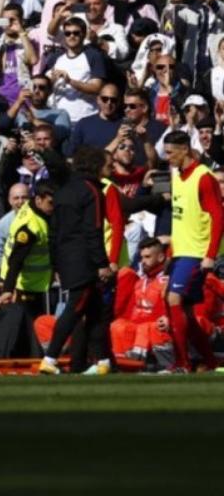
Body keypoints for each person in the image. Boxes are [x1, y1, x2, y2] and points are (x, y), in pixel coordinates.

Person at [39, 146, 114, 376]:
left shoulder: (62, 190)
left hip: (66, 258)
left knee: (96, 311)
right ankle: (50, 358)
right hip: (84, 261)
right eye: (107, 163)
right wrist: (101, 263)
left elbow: (53, 232)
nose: (110, 166)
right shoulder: (92, 192)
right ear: (96, 165)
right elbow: (94, 230)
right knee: (75, 309)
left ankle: (103, 362)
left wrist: (56, 264)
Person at [159, 130, 222, 372]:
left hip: (197, 252)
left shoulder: (203, 177)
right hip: (181, 252)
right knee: (182, 308)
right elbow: (181, 219)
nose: (168, 157)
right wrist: (171, 253)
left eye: (171, 152)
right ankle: (208, 361)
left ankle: (182, 363)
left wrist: (210, 255)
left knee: (173, 300)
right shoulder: (177, 176)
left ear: (184, 149)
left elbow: (218, 217)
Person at [0, 182, 55, 326]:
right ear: (39, 200)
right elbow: (16, 259)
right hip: (23, 284)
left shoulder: (31, 207)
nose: (53, 207)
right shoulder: (30, 227)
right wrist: (8, 289)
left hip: (32, 283)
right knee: (27, 326)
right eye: (50, 203)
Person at [110, 238, 173, 369]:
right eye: (141, 257)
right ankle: (123, 364)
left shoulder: (168, 281)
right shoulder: (139, 281)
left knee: (146, 328)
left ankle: (160, 365)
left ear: (161, 257)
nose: (143, 261)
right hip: (139, 328)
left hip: (159, 329)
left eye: (147, 257)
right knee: (118, 325)